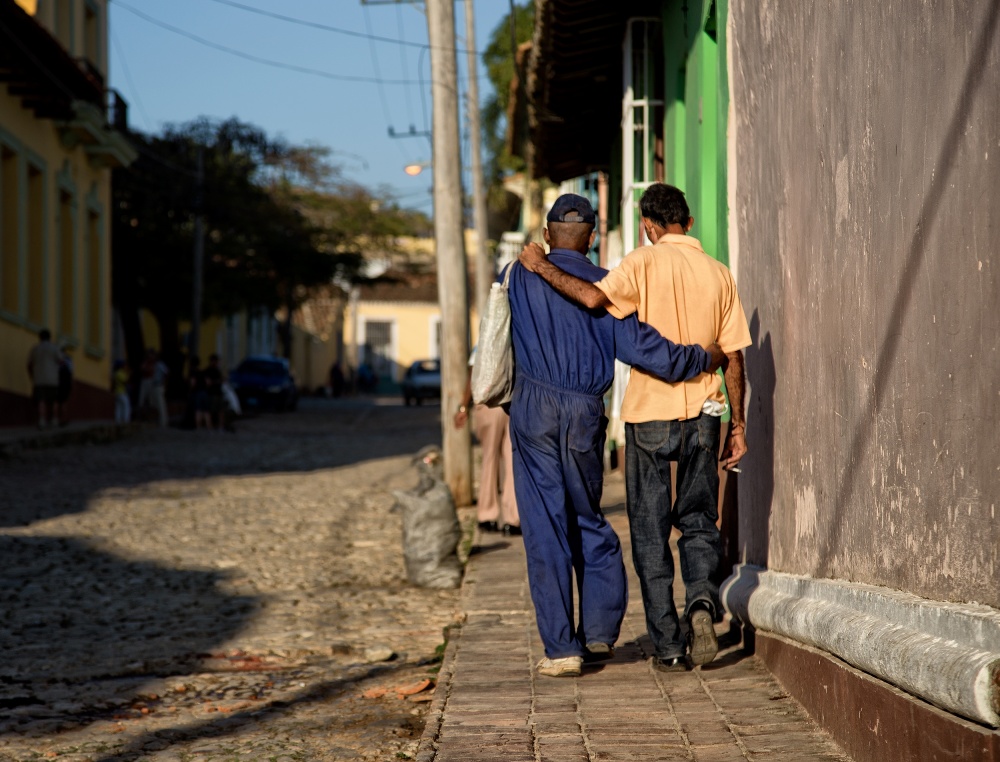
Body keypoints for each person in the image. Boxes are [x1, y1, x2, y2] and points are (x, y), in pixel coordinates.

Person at [519, 183, 751, 672]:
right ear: (687, 223)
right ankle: (694, 605)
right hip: (699, 411)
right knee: (692, 521)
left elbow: (580, 303)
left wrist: (539, 265)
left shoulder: (631, 267)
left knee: (640, 530)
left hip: (623, 415)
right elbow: (727, 356)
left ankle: (656, 645)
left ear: (647, 226)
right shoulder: (720, 275)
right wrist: (737, 419)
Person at [454, 349, 520, 536]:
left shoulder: (485, 341)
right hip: (513, 401)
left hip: (490, 402)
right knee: (512, 460)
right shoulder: (517, 335)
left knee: (489, 459)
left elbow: (473, 375)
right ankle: (513, 519)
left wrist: (463, 406)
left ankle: (487, 515)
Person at [27, 329, 62, 429]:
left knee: (41, 400)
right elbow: (61, 362)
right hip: (53, 379)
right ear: (49, 337)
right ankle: (54, 420)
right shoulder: (54, 348)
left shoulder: (35, 349)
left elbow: (29, 364)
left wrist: (31, 375)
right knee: (53, 400)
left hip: (39, 378)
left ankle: (42, 420)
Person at [56, 343, 73, 427]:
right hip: (66, 382)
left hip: (57, 381)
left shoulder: (56, 358)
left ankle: (55, 419)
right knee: (63, 402)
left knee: (56, 401)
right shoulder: (68, 359)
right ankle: (63, 419)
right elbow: (71, 371)